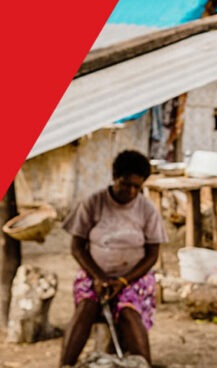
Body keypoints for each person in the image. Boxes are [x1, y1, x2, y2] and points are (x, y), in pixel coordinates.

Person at [59, 149, 168, 367]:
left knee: (129, 311)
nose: (131, 191)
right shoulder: (93, 203)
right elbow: (77, 247)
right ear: (115, 177)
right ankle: (64, 365)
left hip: (134, 278)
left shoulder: (147, 209)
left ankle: (143, 364)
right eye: (125, 183)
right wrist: (99, 277)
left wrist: (123, 281)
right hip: (94, 275)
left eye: (137, 187)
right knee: (86, 307)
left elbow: (152, 255)